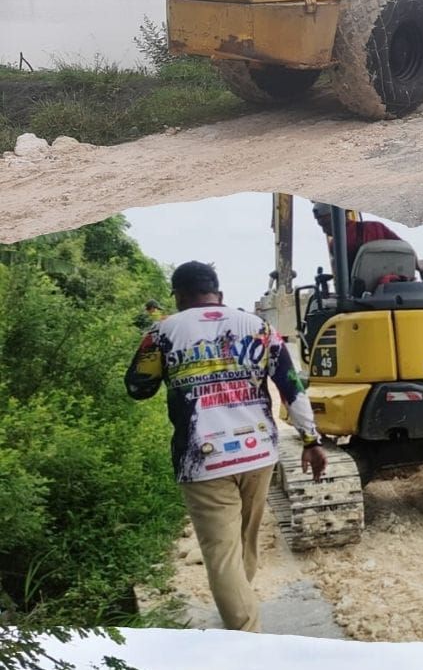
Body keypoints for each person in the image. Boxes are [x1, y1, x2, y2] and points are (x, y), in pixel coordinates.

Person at [125, 260, 326, 632]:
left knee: (222, 555)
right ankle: (240, 602)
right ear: (217, 292)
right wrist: (311, 440)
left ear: (180, 295)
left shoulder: (163, 332)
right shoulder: (258, 327)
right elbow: (291, 388)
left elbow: (139, 387)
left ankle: (247, 637)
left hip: (202, 461)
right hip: (258, 455)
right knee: (245, 543)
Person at [311, 202, 423, 278]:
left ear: (338, 217)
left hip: (361, 297)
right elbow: (405, 248)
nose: (324, 231)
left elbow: (341, 277)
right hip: (396, 290)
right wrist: (418, 265)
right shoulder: (376, 227)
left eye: (325, 224)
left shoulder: (335, 245)